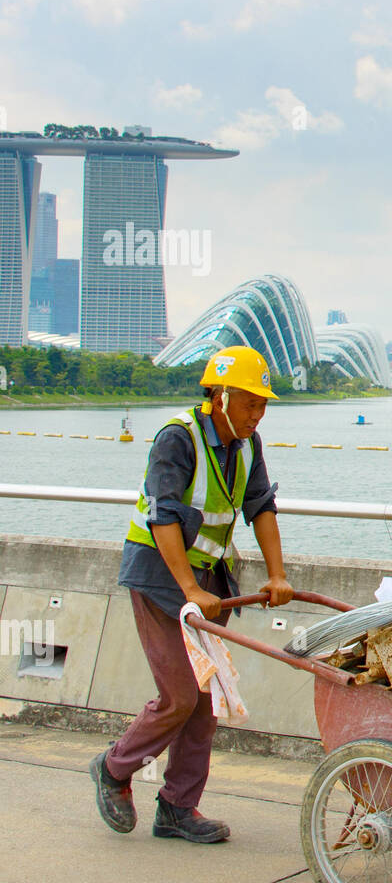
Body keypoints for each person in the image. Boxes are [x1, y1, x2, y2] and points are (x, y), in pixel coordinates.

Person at [89, 347, 294, 843]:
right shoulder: (177, 439)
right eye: (249, 403)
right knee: (181, 694)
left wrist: (277, 575)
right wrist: (187, 589)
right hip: (161, 576)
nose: (257, 414)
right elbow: (162, 516)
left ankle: (178, 807)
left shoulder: (248, 444)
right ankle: (114, 769)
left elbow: (260, 507)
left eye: (263, 405)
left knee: (205, 699)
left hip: (207, 580)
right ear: (220, 397)